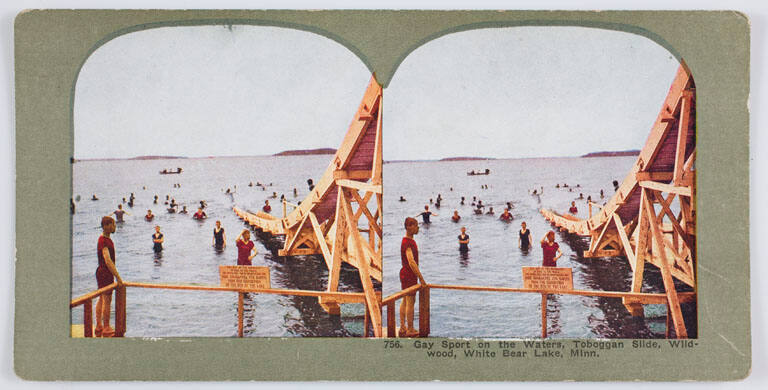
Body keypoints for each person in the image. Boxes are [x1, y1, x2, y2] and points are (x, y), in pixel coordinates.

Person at [95, 216, 123, 337]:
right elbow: (107, 260)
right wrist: (118, 277)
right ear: (106, 226)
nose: (115, 227)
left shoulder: (104, 239)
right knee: (107, 300)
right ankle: (106, 327)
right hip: (105, 273)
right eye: (113, 224)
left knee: (101, 298)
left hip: (101, 272)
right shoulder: (104, 241)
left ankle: (99, 326)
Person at [399, 217, 425, 338]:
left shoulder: (406, 241)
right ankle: (409, 328)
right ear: (409, 227)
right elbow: (411, 262)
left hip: (405, 273)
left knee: (405, 300)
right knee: (410, 301)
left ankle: (402, 327)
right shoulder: (408, 243)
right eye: (415, 225)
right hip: (409, 274)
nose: (418, 227)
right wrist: (421, 278)